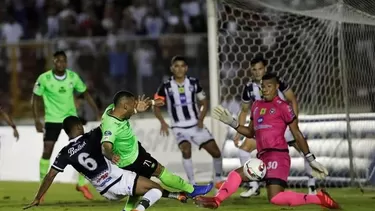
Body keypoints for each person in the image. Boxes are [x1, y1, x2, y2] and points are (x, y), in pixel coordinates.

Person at [194, 73, 340, 210]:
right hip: (262, 157)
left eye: (269, 86)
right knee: (236, 174)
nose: (265, 89)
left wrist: (310, 159)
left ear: (276, 87)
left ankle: (319, 198)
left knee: (275, 198)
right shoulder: (257, 106)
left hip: (278, 156)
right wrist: (232, 123)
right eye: (263, 86)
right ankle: (216, 200)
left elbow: (297, 133)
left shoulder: (283, 106)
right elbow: (251, 132)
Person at [23, 116, 186, 211]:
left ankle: (175, 195)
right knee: (155, 189)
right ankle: (140, 209)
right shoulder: (91, 136)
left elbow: (50, 175)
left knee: (140, 185)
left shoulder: (64, 153)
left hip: (105, 191)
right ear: (79, 126)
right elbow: (111, 121)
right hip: (117, 178)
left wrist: (38, 197)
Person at [101, 91, 213, 210]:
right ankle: (191, 190)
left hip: (133, 154)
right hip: (133, 159)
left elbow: (127, 112)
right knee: (160, 171)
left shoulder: (112, 109)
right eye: (134, 105)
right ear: (125, 106)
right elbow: (106, 146)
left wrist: (151, 102)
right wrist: (111, 155)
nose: (136, 106)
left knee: (137, 188)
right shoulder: (111, 126)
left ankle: (127, 210)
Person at [234, 55, 316, 197]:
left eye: (260, 69)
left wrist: (293, 122)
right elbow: (245, 110)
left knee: (304, 150)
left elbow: (292, 99)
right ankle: (254, 187)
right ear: (251, 71)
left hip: (282, 126)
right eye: (254, 69)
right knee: (243, 150)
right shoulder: (248, 88)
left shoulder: (277, 82)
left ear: (265, 69)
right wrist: (238, 132)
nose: (257, 72)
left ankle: (312, 185)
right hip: (264, 130)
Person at [32, 51, 101, 200]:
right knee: (47, 152)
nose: (61, 63)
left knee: (83, 150)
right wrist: (37, 120)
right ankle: (41, 188)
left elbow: (85, 93)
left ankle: (82, 184)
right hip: (52, 119)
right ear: (53, 62)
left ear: (66, 62)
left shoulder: (72, 77)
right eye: (58, 61)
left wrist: (96, 111)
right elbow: (35, 98)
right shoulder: (44, 79)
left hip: (71, 119)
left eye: (64, 61)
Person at [154, 55, 223, 187]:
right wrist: (162, 122)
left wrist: (201, 118)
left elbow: (204, 102)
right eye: (176, 66)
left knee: (216, 152)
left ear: (186, 68)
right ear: (172, 68)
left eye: (182, 66)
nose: (179, 69)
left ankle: (218, 179)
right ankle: (192, 183)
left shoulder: (194, 83)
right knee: (186, 150)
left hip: (196, 125)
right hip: (179, 128)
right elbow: (156, 106)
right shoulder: (165, 86)